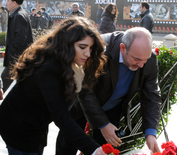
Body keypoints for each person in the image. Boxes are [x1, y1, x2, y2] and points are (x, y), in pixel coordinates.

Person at [0, 17, 107, 155]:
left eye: (91, 48)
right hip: (18, 129)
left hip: (34, 126)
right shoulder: (49, 68)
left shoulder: (64, 61)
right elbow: (61, 116)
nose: (88, 53)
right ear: (67, 43)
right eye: (82, 47)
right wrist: (93, 149)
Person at [56, 27, 162, 154]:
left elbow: (151, 96)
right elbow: (85, 90)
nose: (141, 65)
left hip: (112, 107)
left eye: (145, 60)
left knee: (107, 149)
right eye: (137, 60)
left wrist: (151, 132)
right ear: (123, 48)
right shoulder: (100, 48)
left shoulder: (149, 59)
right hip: (80, 104)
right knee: (68, 143)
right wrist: (103, 124)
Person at [1, 0, 33, 93]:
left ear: (14, 2)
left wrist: (12, 50)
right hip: (17, 56)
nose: (6, 3)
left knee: (4, 81)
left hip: (16, 57)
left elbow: (21, 38)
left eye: (8, 1)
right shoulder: (19, 14)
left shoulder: (19, 15)